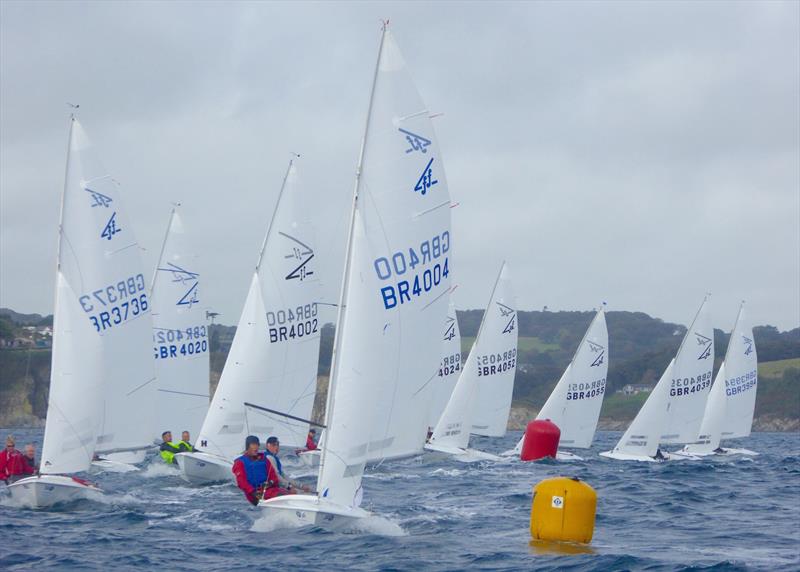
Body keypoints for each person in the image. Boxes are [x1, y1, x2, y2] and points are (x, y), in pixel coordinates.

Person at [232, 435, 269, 506]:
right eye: (253, 444)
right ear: (248, 446)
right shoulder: (240, 462)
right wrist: (253, 492)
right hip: (255, 495)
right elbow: (241, 482)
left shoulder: (264, 459)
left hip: (268, 489)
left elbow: (273, 475)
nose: (256, 447)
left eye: (257, 444)